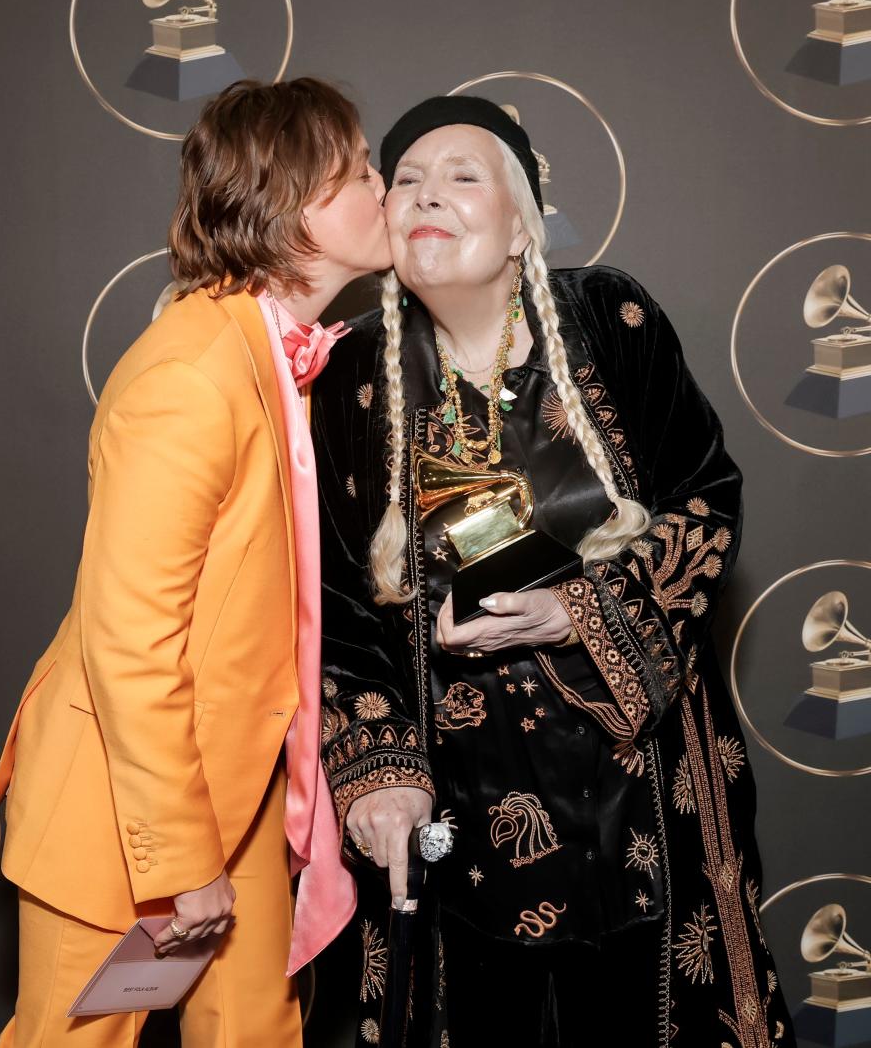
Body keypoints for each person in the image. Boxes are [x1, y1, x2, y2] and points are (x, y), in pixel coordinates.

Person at [313, 95, 795, 1047]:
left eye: (461, 176)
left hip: (639, 794)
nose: (426, 196)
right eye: (404, 179)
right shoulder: (355, 374)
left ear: (522, 216)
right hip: (455, 816)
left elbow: (707, 504)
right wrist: (377, 776)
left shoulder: (612, 321)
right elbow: (332, 599)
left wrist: (574, 612)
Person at [0, 77, 389, 1047]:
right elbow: (130, 640)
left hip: (234, 787)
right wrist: (178, 857)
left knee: (256, 1032)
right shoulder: (190, 379)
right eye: (363, 168)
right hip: (130, 803)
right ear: (295, 204)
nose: (386, 185)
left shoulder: (273, 353)